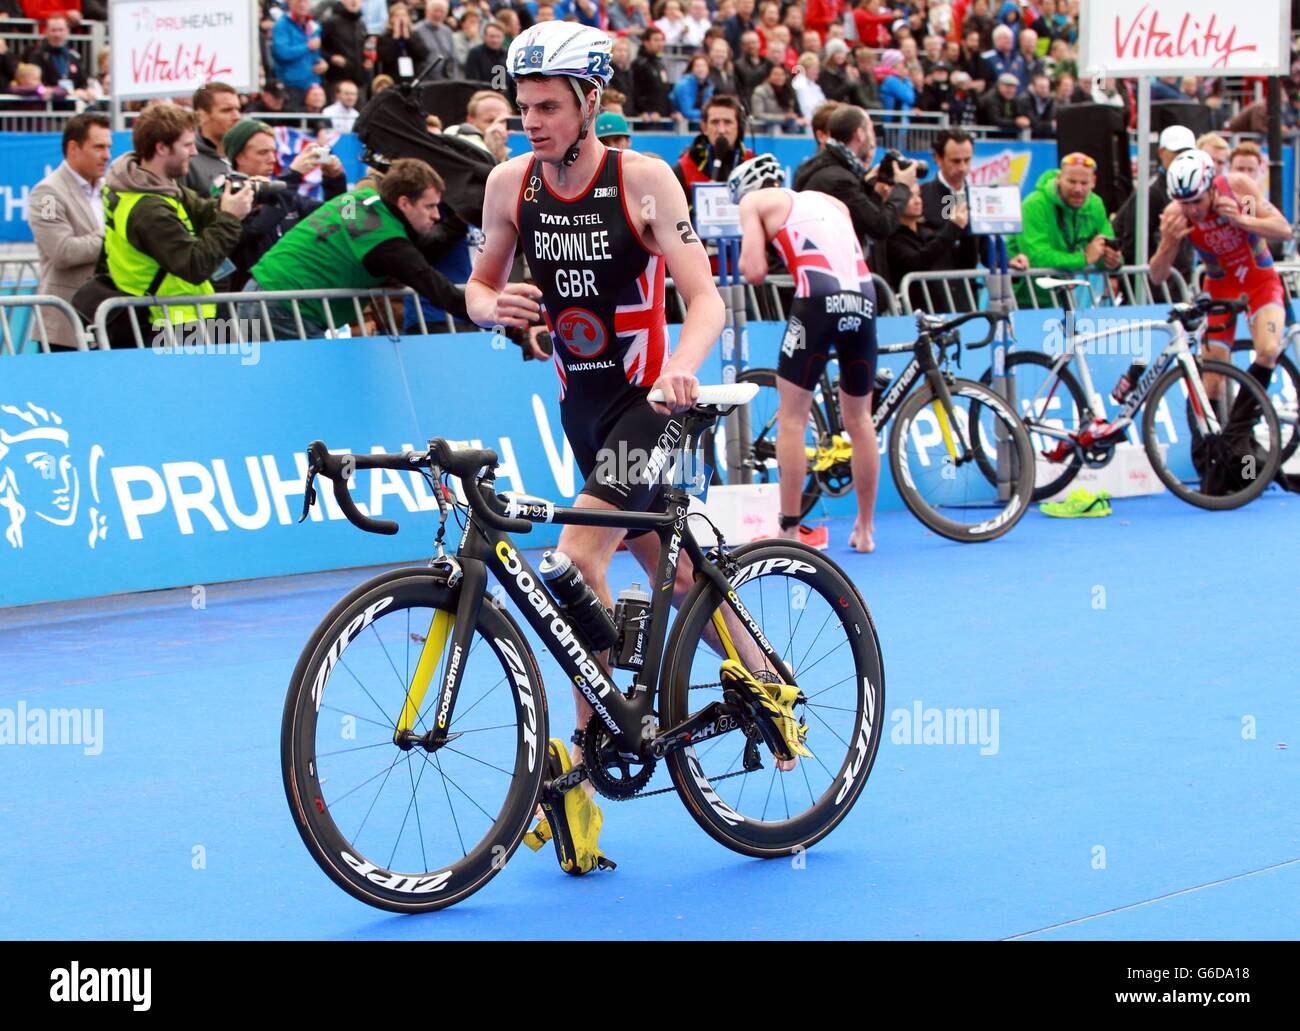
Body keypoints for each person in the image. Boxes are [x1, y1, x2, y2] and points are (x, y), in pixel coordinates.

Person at [467, 21, 796, 875]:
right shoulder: (510, 183)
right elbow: (479, 282)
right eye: (521, 106)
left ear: (590, 103)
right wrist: (485, 307)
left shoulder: (642, 181)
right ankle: (766, 684)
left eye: (546, 107)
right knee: (674, 574)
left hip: (653, 408)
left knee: (574, 561)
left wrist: (682, 370)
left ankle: (577, 750)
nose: (530, 122)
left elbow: (708, 302)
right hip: (585, 408)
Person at [733, 154, 881, 552]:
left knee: (794, 418)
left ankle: (790, 529)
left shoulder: (754, 203)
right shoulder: (832, 203)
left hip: (817, 297)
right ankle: (865, 529)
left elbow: (753, 271)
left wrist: (754, 237)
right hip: (865, 297)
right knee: (860, 419)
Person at [76, 103, 252, 344]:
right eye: (187, 145)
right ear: (161, 147)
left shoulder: (153, 186)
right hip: (168, 324)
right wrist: (230, 218)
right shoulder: (148, 207)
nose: (194, 152)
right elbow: (194, 266)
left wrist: (238, 198)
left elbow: (205, 211)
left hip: (182, 319)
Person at [241, 158, 467, 339]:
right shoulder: (387, 244)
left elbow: (351, 233)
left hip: (259, 290)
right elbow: (437, 289)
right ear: (404, 202)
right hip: (286, 309)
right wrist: (494, 319)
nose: (436, 216)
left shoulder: (358, 198)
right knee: (315, 389)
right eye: (430, 206)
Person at [1147, 149, 1291, 425]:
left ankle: (1239, 427)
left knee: (1269, 350)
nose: (1192, 210)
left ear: (1211, 186)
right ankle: (1207, 448)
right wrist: (1168, 243)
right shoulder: (1176, 214)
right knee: (1213, 380)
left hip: (1259, 281)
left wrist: (1243, 219)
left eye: (1197, 201)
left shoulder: (1238, 188)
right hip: (1220, 288)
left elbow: (1282, 229)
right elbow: (1156, 276)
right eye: (1184, 202)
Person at [216, 119, 349, 293]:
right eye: (263, 152)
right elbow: (259, 226)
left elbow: (345, 218)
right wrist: (293, 175)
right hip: (246, 308)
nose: (272, 159)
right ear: (239, 157)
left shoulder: (286, 196)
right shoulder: (226, 196)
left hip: (289, 302)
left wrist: (336, 180)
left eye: (274, 151)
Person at [27, 112, 110, 351]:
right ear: (73, 148)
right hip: (65, 325)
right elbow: (62, 251)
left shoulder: (109, 189)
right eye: (98, 147)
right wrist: (112, 237)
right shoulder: (47, 194)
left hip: (106, 319)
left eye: (108, 147)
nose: (107, 155)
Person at [792, 104, 913, 254]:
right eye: (870, 130)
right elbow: (880, 226)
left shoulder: (816, 165)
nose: (873, 139)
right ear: (860, 134)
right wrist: (903, 187)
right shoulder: (840, 180)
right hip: (831, 264)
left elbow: (860, 215)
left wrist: (871, 189)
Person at [1007, 152, 1120, 307]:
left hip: (1065, 300)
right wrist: (1084, 258)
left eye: (1084, 183)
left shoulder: (1095, 205)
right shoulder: (1034, 205)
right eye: (1072, 182)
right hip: (1023, 300)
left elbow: (1106, 247)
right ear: (1059, 178)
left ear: (1093, 181)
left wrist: (1111, 261)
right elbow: (1037, 257)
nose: (1078, 189)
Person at [1112, 124, 1195, 282]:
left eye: (1187, 152)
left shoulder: (1199, 187)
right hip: (1156, 285)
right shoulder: (1151, 192)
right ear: (1161, 152)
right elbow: (1130, 239)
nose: (1182, 158)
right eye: (1177, 152)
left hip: (1181, 280)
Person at [887, 178, 971, 326]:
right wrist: (953, 227)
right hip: (920, 315)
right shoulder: (891, 238)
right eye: (910, 196)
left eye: (918, 195)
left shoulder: (928, 231)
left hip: (951, 306)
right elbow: (918, 261)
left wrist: (968, 232)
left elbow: (963, 261)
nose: (917, 201)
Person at [919, 128, 979, 311]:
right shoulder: (921, 196)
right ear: (938, 158)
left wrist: (1009, 261)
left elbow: (984, 245)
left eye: (967, 160)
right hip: (931, 297)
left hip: (967, 296)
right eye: (955, 161)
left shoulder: (977, 196)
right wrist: (953, 227)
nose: (962, 168)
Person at [673, 94, 754, 216]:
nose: (721, 130)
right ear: (704, 128)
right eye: (715, 122)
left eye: (728, 122)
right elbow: (673, 217)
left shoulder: (753, 165)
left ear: (739, 127)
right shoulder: (685, 167)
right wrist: (700, 204)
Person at [184, 82, 243, 196]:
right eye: (227, 110)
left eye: (238, 109)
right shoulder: (187, 160)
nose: (237, 116)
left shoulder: (244, 153)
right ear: (201, 115)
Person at [272, 0, 328, 108]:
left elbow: (315, 53)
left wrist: (322, 63)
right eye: (298, 1)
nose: (302, 4)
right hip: (291, 87)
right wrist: (307, 46)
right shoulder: (281, 25)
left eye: (305, 1)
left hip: (313, 86)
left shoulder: (313, 25)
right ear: (290, 3)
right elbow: (282, 53)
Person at [321, 0, 372, 95]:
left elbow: (364, 50)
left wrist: (366, 61)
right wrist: (331, 58)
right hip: (337, 82)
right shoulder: (331, 22)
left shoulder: (361, 25)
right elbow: (319, 48)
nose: (354, 1)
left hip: (358, 83)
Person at [376, 2, 429, 82]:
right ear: (391, 19)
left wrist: (408, 37)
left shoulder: (414, 35)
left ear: (408, 18)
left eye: (404, 15)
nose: (401, 19)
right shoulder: (384, 37)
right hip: (393, 78)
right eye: (397, 16)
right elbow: (386, 58)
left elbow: (423, 55)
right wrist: (395, 37)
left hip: (413, 78)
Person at [631, 26, 674, 122]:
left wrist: (672, 111)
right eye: (656, 40)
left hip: (663, 117)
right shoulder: (639, 64)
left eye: (662, 40)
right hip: (647, 119)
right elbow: (635, 91)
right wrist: (645, 111)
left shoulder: (660, 64)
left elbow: (665, 92)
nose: (660, 43)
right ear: (646, 42)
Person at [416, 0, 457, 79]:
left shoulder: (447, 31)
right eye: (435, 11)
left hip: (446, 79)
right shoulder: (416, 30)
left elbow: (452, 58)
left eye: (442, 11)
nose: (438, 14)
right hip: (426, 80)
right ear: (427, 11)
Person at [977, 72, 1021, 137]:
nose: (1010, 90)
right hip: (988, 137)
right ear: (999, 85)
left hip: (1006, 138)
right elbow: (995, 120)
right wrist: (1015, 122)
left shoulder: (1013, 99)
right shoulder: (991, 98)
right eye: (1008, 87)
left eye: (1013, 87)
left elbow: (1019, 114)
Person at [464, 20, 507, 84]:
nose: (495, 40)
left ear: (503, 37)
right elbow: (472, 81)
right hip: (482, 92)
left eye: (498, 36)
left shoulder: (507, 54)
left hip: (504, 93)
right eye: (492, 36)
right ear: (485, 37)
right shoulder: (475, 54)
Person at [1015, 70, 1055, 137]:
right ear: (1033, 86)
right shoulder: (1024, 99)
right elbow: (1033, 123)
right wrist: (1050, 125)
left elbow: (1050, 118)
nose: (1045, 90)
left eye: (1047, 87)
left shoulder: (1049, 99)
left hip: (1043, 137)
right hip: (1025, 136)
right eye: (1042, 87)